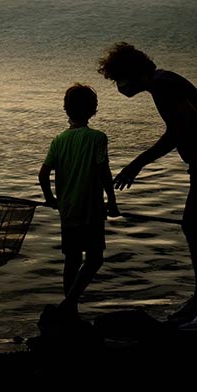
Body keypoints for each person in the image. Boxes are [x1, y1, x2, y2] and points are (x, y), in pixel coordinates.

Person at [97, 42, 197, 329]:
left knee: (196, 229)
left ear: (132, 73)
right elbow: (181, 127)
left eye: (119, 80)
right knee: (194, 228)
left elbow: (182, 127)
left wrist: (138, 163)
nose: (119, 87)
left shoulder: (164, 86)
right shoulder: (163, 82)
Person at [38, 83, 120, 316]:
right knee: (94, 259)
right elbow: (103, 172)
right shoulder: (97, 138)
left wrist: (51, 199)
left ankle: (71, 310)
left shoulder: (59, 140)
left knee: (71, 261)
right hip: (92, 210)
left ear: (66, 110)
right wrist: (112, 201)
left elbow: (43, 174)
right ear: (93, 110)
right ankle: (70, 303)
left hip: (68, 211)